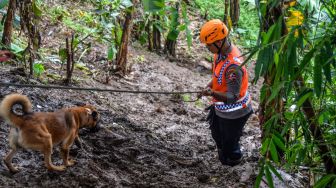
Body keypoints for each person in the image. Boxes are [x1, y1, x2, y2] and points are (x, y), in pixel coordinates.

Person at [199, 19, 253, 166]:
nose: (207, 48)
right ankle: (225, 159)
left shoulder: (233, 67)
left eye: (208, 45)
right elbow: (217, 77)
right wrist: (207, 87)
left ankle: (233, 163)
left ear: (219, 41)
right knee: (217, 134)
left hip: (235, 112)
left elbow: (232, 97)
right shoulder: (219, 54)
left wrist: (211, 93)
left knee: (229, 143)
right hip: (222, 108)